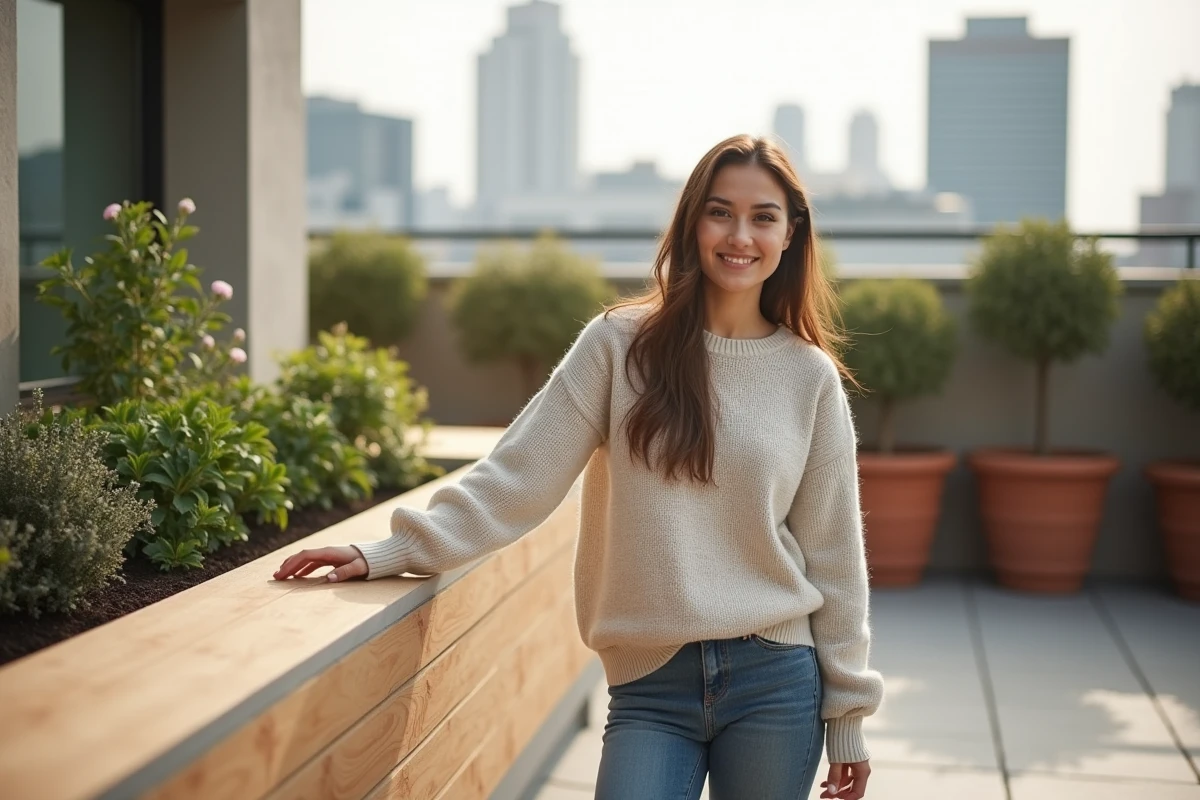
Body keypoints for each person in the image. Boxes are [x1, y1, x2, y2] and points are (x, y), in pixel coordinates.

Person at [275, 134, 883, 800]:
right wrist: (393, 550)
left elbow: (834, 557)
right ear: (691, 224)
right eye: (720, 212)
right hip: (652, 684)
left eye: (763, 216)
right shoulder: (619, 348)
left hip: (777, 680)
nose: (740, 234)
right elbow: (517, 476)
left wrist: (848, 715)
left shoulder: (809, 378)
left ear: (791, 233)